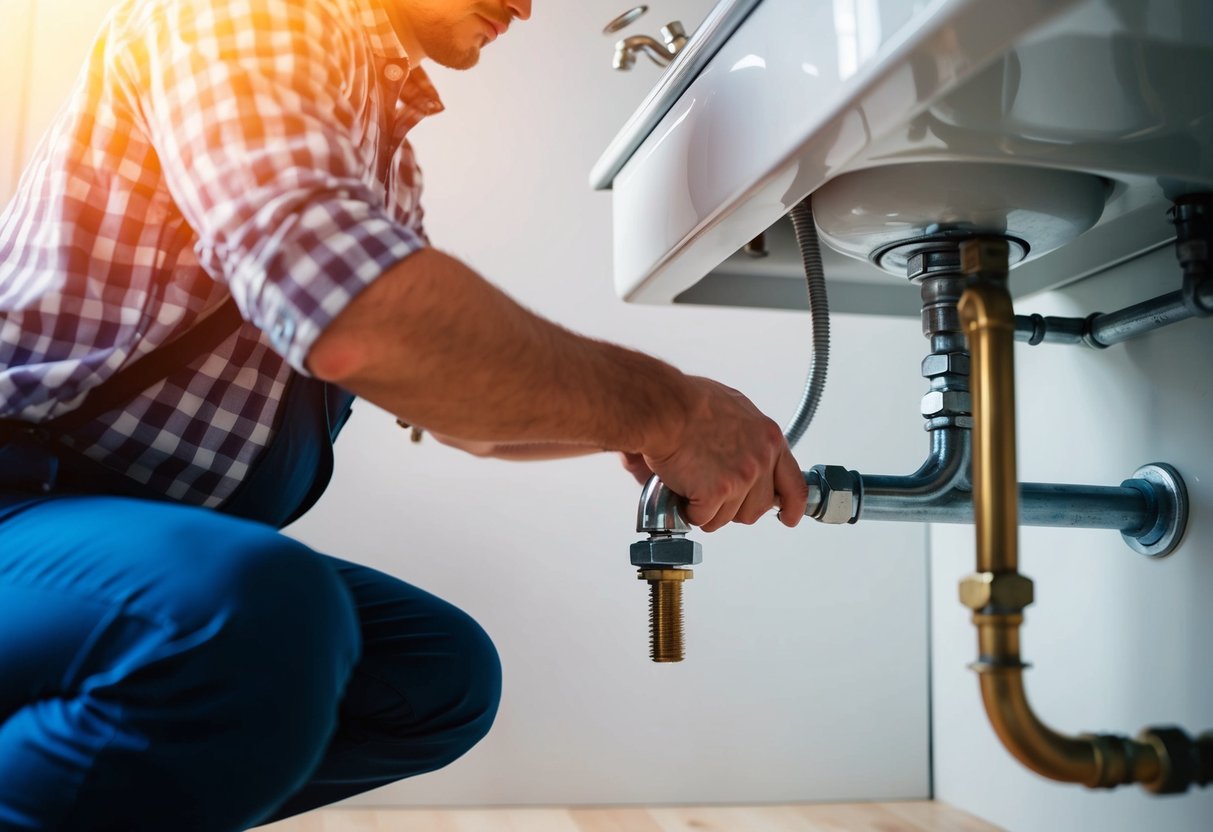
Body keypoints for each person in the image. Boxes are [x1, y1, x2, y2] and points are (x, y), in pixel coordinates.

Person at [0, 0, 809, 828]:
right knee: (250, 620)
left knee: (435, 675)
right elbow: (361, 324)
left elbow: (462, 416)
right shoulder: (242, 14)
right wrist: (670, 412)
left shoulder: (376, 133)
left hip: (116, 532)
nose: (529, 7)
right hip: (19, 502)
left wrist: (648, 429)